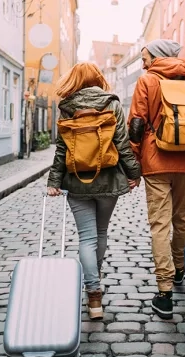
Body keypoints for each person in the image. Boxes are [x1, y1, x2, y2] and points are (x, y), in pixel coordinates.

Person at [128, 39, 185, 319]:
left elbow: (136, 125)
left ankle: (164, 292)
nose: (143, 62)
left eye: (146, 56)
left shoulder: (147, 82)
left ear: (158, 56)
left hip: (156, 163)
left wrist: (133, 168)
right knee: (182, 220)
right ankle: (179, 270)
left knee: (159, 225)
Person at [47, 62, 141, 320]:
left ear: (75, 79)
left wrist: (54, 181)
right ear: (99, 78)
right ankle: (95, 281)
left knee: (86, 238)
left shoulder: (67, 106)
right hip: (108, 179)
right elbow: (122, 143)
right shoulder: (112, 104)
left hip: (77, 181)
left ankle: (93, 294)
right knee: (100, 233)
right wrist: (135, 173)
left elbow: (62, 149)